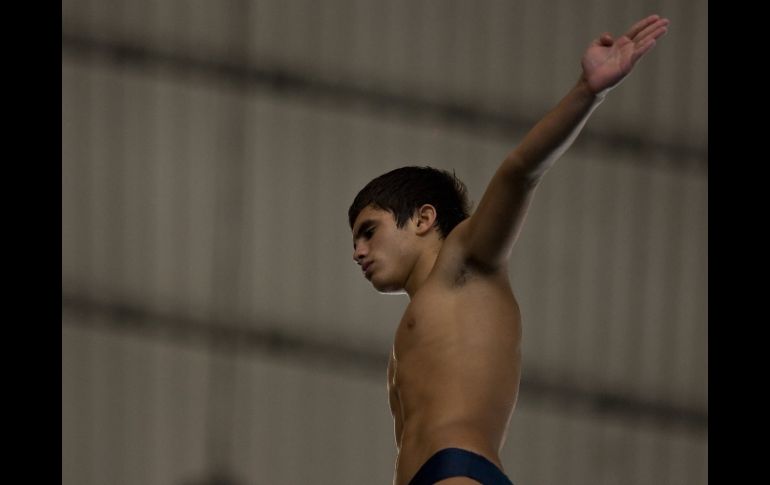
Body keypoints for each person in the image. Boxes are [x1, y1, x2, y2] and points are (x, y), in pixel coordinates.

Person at [348, 14, 670, 485]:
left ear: (423, 219)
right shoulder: (432, 308)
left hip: (458, 471)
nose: (357, 251)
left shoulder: (464, 263)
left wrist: (588, 90)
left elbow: (520, 171)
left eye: (368, 231)